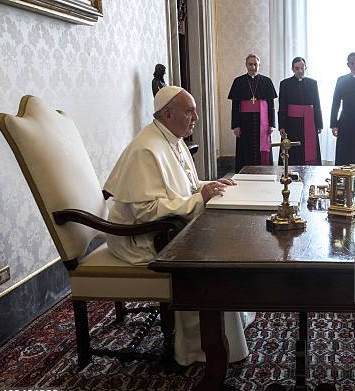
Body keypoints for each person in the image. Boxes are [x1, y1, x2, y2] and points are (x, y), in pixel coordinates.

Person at [103, 86, 254, 366]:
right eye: (189, 111)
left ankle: (230, 329)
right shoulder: (146, 149)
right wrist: (200, 198)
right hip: (141, 238)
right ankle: (203, 348)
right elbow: (147, 211)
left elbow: (185, 187)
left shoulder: (172, 138)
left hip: (165, 225)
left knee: (227, 240)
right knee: (210, 256)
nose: (196, 116)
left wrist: (210, 186)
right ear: (168, 113)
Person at [228, 54, 277, 173]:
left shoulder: (266, 81)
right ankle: (244, 173)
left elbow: (271, 105)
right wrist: (235, 125)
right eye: (250, 64)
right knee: (245, 149)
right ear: (246, 65)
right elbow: (235, 105)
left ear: (259, 65)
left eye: (255, 64)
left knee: (262, 150)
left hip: (263, 122)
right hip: (245, 123)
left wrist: (271, 124)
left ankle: (264, 172)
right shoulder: (238, 81)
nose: (253, 67)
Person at [278, 57, 323, 165]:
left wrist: (319, 124)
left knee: (309, 151)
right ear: (292, 69)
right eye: (297, 68)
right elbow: (282, 106)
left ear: (305, 68)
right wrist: (282, 126)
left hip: (309, 122)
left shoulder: (313, 83)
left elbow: (316, 104)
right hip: (291, 123)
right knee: (293, 152)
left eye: (302, 68)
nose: (300, 71)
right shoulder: (285, 84)